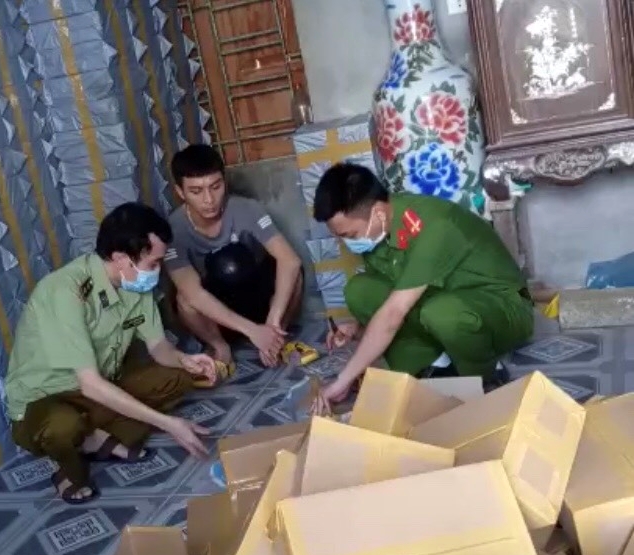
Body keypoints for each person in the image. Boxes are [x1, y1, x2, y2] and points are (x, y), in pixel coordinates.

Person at [5, 202, 217, 505]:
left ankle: (95, 439)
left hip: (97, 391)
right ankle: (71, 468)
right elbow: (90, 384)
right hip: (45, 401)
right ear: (121, 259)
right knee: (63, 427)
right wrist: (168, 424)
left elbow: (158, 347)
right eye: (153, 263)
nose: (158, 270)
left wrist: (185, 360)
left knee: (178, 378)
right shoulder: (64, 291)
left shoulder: (134, 284)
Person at [312, 163, 534, 407]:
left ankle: (485, 375)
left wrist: (342, 380)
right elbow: (394, 295)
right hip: (441, 301)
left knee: (442, 313)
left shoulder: (435, 225)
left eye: (350, 236)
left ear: (378, 213)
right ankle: (431, 368)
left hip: (503, 309)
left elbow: (393, 313)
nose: (345, 244)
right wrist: (357, 327)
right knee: (360, 291)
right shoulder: (379, 230)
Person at [165, 143, 304, 367]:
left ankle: (277, 336)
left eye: (216, 186)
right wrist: (252, 331)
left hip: (257, 296)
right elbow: (193, 294)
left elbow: (290, 260)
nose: (209, 199)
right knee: (184, 300)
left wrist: (272, 324)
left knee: (294, 273)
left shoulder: (246, 208)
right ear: (180, 192)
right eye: (196, 192)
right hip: (218, 311)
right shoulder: (173, 229)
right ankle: (220, 346)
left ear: (225, 182)